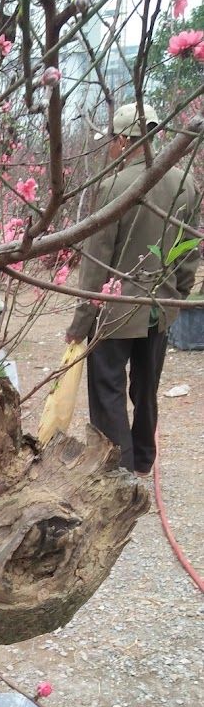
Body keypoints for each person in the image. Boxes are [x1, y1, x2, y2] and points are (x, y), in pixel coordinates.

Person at [65, 102, 200, 476]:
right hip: (160, 307)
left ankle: (118, 470)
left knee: (106, 389)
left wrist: (81, 321)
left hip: (115, 311)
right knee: (146, 389)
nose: (110, 145)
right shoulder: (185, 183)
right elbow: (189, 250)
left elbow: (97, 264)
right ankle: (142, 460)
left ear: (124, 140)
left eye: (112, 138)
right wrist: (176, 297)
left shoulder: (114, 186)